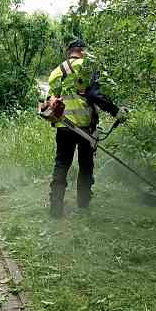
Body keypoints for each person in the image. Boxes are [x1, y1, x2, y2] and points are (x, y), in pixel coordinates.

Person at [47, 39, 128, 218]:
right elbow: (94, 95)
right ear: (82, 51)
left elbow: (50, 101)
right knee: (85, 166)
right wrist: (115, 111)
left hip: (63, 127)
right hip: (85, 129)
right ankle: (83, 205)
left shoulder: (55, 72)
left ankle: (55, 209)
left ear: (69, 52)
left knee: (61, 165)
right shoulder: (88, 67)